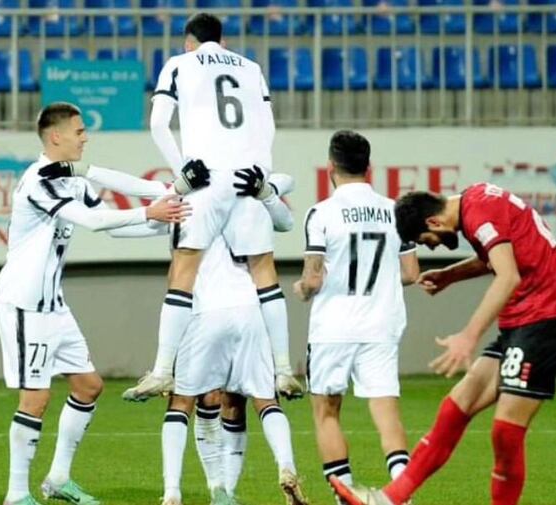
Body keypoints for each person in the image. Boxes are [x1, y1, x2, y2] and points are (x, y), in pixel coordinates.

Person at [330, 183, 556, 505]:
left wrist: (468, 336)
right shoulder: (475, 203)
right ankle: (389, 499)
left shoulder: (479, 212)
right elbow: (501, 256)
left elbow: (508, 277)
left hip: (546, 323)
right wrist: (450, 275)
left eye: (425, 241)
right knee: (453, 409)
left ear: (433, 222)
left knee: (505, 432)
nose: (432, 247)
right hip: (522, 324)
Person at [0, 102, 189, 505]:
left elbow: (115, 230)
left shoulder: (75, 181)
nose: (86, 137)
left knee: (88, 386)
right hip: (24, 302)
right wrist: (150, 211)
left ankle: (58, 478)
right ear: (56, 136)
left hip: (53, 303)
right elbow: (96, 223)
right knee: (36, 398)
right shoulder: (38, 181)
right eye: (79, 131)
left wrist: (160, 224)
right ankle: (16, 494)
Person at [124, 12, 304, 401]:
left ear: (189, 42)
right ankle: (284, 370)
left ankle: (162, 371)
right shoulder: (252, 68)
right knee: (264, 273)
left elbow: (158, 124)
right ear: (221, 41)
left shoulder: (179, 64)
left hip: (205, 179)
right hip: (247, 179)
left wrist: (182, 173)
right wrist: (261, 174)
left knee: (184, 269)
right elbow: (268, 125)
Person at [156, 173, 308, 505]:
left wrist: (174, 189)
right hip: (251, 311)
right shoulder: (252, 198)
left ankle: (173, 493)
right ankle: (282, 468)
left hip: (205, 312)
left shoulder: (188, 206)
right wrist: (267, 189)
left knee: (184, 401)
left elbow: (169, 264)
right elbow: (286, 208)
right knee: (262, 399)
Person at [293, 131, 418, 503]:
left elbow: (313, 278)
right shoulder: (395, 211)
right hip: (381, 324)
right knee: (385, 410)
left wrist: (303, 289)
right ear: (369, 168)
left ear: (331, 167)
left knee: (326, 412)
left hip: (333, 326)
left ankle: (344, 492)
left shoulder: (322, 213)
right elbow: (410, 273)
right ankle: (402, 492)